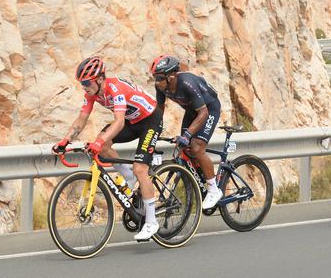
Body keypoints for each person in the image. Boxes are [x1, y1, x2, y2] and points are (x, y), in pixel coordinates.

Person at [52, 57, 163, 241]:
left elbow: (119, 122)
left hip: (150, 120)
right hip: (132, 120)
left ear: (100, 79)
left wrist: (100, 140)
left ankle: (152, 222)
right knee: (101, 146)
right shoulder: (92, 94)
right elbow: (81, 119)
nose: (84, 86)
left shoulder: (115, 88)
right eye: (82, 83)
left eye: (87, 82)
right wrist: (65, 140)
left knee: (140, 169)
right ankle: (126, 174)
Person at [150, 55, 223, 209]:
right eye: (155, 78)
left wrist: (188, 135)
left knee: (196, 146)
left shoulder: (187, 84)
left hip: (209, 109)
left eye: (160, 78)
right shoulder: (161, 87)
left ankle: (213, 189)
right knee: (185, 148)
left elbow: (203, 113)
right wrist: (153, 130)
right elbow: (159, 110)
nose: (157, 82)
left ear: (171, 76)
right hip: (192, 110)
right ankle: (202, 177)